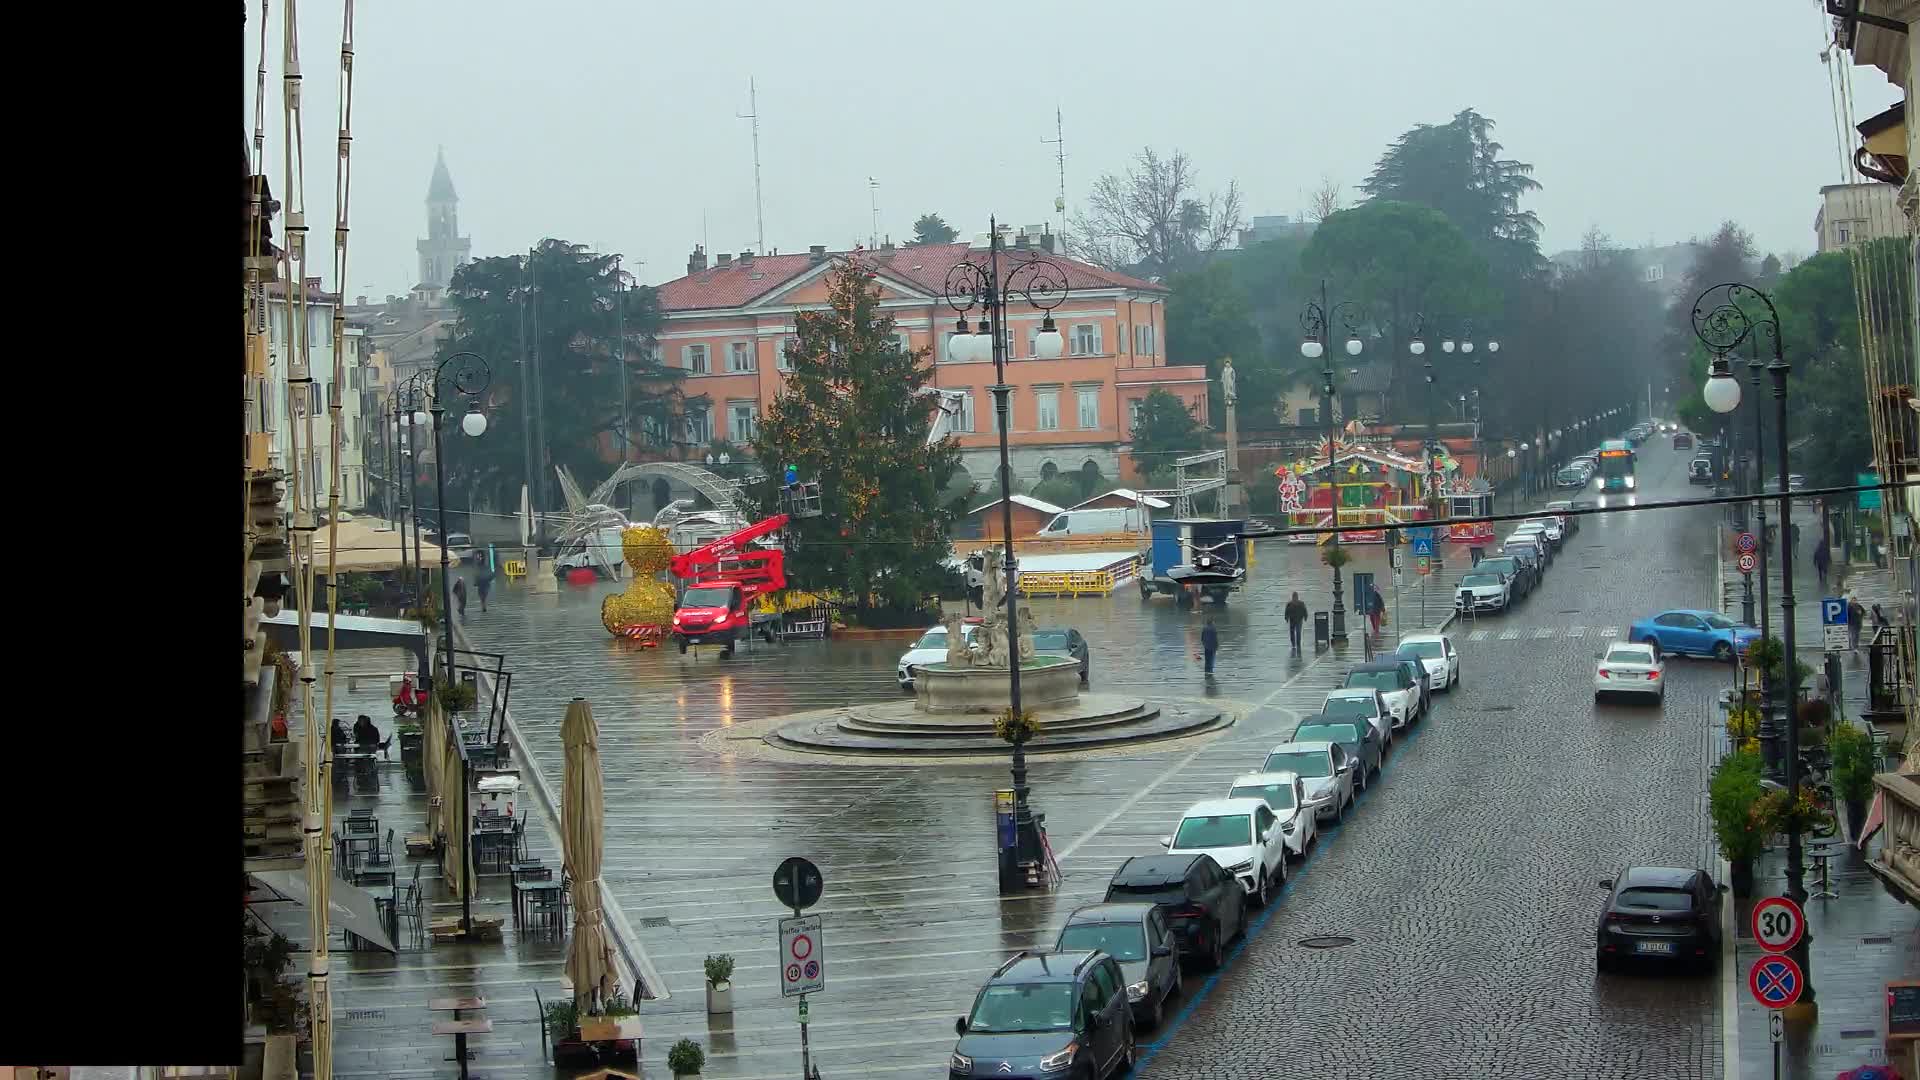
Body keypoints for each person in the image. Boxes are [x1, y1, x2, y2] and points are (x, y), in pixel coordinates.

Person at [1284, 591, 1308, 657]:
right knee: (1293, 632)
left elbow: (1304, 610)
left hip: (1298, 620)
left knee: (1298, 632)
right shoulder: (1290, 604)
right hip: (1293, 620)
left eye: (1295, 597)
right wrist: (1286, 618)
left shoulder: (1300, 603)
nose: (1294, 598)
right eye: (1294, 597)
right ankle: (1294, 644)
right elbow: (1286, 612)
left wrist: (1305, 616)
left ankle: (1297, 644)